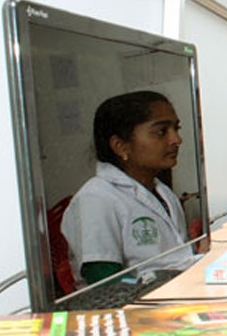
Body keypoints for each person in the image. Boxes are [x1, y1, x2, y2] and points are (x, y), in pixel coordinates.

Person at [61, 91, 196, 286]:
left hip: (176, 296)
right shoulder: (96, 198)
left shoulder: (164, 193)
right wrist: (157, 287)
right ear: (120, 146)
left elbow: (178, 259)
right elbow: (106, 282)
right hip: (135, 309)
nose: (176, 139)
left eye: (176, 128)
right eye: (161, 131)